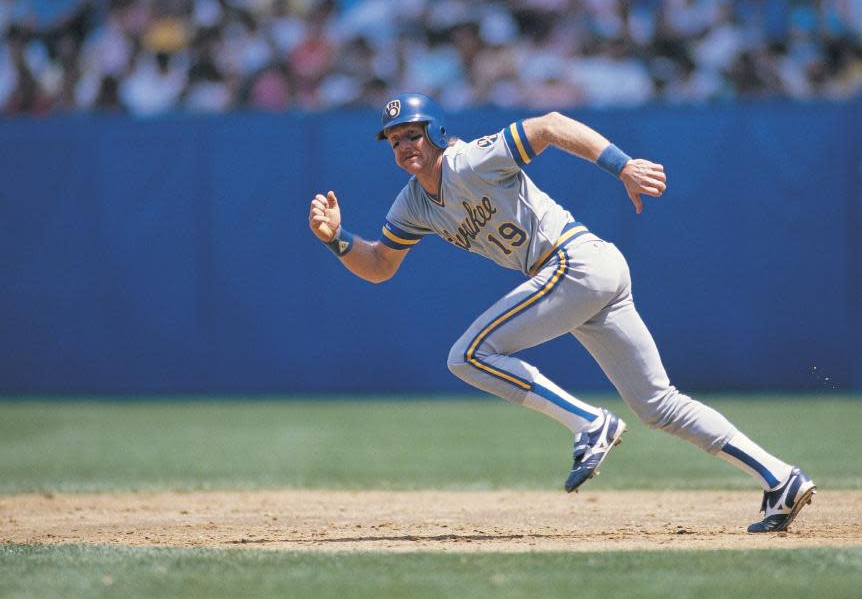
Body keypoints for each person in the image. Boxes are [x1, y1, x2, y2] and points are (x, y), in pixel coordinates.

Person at [309, 93, 816, 532]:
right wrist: (338, 241)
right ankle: (780, 479)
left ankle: (588, 423)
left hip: (574, 263)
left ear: (437, 131)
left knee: (468, 355)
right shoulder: (412, 205)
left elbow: (550, 125)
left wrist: (622, 165)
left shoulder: (468, 161)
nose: (403, 147)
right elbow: (379, 265)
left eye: (412, 135)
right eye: (394, 140)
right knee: (657, 405)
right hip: (586, 273)